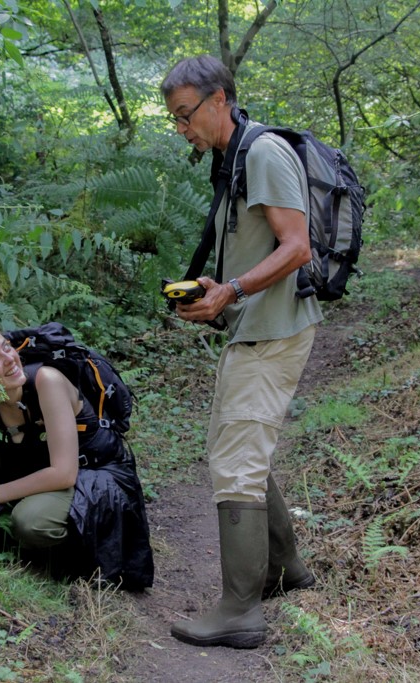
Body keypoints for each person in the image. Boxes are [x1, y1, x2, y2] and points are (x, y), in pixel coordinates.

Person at [160, 55, 322, 648]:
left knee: (237, 463)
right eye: (174, 119)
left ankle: (239, 610)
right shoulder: (233, 161)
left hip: (275, 328)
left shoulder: (263, 152)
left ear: (219, 98)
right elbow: (254, 250)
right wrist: (217, 290)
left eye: (186, 115)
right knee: (234, 447)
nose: (182, 128)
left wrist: (233, 289)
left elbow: (297, 246)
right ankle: (285, 569)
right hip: (253, 324)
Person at [0, 324, 154, 591]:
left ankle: (60, 552)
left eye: (7, 347)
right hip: (38, 467)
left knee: (30, 520)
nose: (10, 358)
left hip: (96, 476)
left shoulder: (48, 381)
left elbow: (64, 473)